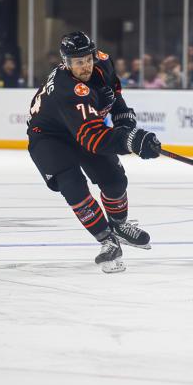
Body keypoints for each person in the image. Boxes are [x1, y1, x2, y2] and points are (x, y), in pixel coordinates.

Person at [27, 31, 161, 273]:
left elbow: (114, 95)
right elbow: (95, 139)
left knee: (115, 179)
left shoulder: (103, 61)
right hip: (49, 137)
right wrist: (132, 141)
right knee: (73, 185)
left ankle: (119, 226)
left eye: (88, 59)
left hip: (82, 128)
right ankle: (107, 240)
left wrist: (125, 123)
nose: (85, 65)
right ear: (66, 63)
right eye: (78, 62)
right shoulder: (67, 90)